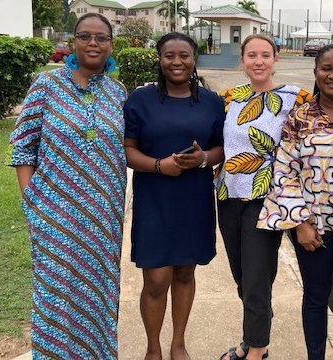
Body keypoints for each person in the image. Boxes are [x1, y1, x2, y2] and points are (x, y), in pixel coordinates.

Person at [216, 34, 333, 360]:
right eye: (251, 55)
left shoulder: (296, 97)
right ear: (242, 60)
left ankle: (257, 349)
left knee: (256, 281)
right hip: (228, 194)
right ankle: (251, 340)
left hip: (269, 200)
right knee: (242, 278)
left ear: (276, 58)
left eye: (265, 54)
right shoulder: (227, 99)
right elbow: (214, 137)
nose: (258, 61)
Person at [6, 13, 126, 359]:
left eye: (101, 37)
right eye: (85, 36)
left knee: (97, 292)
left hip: (103, 219)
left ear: (110, 45)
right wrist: (32, 201)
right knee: (55, 291)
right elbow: (23, 147)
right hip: (54, 216)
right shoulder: (47, 85)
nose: (93, 43)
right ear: (72, 42)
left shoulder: (117, 92)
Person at [123, 32, 225, 360]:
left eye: (184, 55)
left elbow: (222, 147)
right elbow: (127, 151)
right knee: (155, 277)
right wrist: (158, 165)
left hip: (193, 199)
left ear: (194, 59)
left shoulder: (211, 101)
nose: (177, 62)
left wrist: (204, 159)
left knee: (185, 271)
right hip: (155, 198)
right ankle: (153, 347)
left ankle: (177, 343)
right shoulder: (141, 100)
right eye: (169, 55)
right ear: (159, 59)